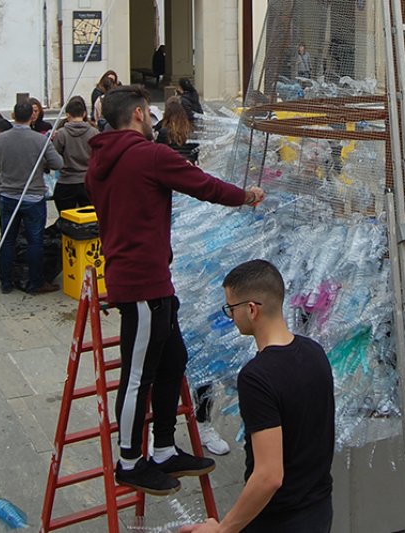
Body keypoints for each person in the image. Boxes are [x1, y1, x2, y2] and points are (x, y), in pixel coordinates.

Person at [84, 84, 265, 496]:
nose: (153, 122)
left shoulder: (101, 161)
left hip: (145, 278)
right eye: (148, 116)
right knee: (136, 375)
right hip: (141, 281)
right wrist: (246, 196)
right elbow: (203, 185)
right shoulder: (149, 155)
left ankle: (164, 448)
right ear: (137, 115)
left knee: (173, 359)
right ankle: (130, 460)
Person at [180, 259, 335, 533]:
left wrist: (223, 530)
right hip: (319, 511)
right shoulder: (315, 352)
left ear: (251, 309)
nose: (230, 316)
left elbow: (269, 476)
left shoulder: (256, 377)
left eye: (231, 308)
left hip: (279, 521)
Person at [0, 100, 63, 294]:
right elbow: (58, 163)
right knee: (35, 241)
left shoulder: (0, 139)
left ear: (14, 116)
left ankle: (5, 282)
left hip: (8, 195)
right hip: (32, 197)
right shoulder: (40, 141)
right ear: (32, 116)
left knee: (7, 239)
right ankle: (35, 282)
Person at [52, 96, 98, 213]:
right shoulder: (94, 132)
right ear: (83, 114)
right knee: (90, 220)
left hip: (66, 181)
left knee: (66, 220)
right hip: (88, 181)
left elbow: (54, 157)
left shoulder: (61, 134)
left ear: (68, 115)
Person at [155, 96, 200, 165]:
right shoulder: (191, 130)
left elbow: (159, 153)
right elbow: (195, 152)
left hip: (171, 167)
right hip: (188, 167)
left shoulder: (163, 131)